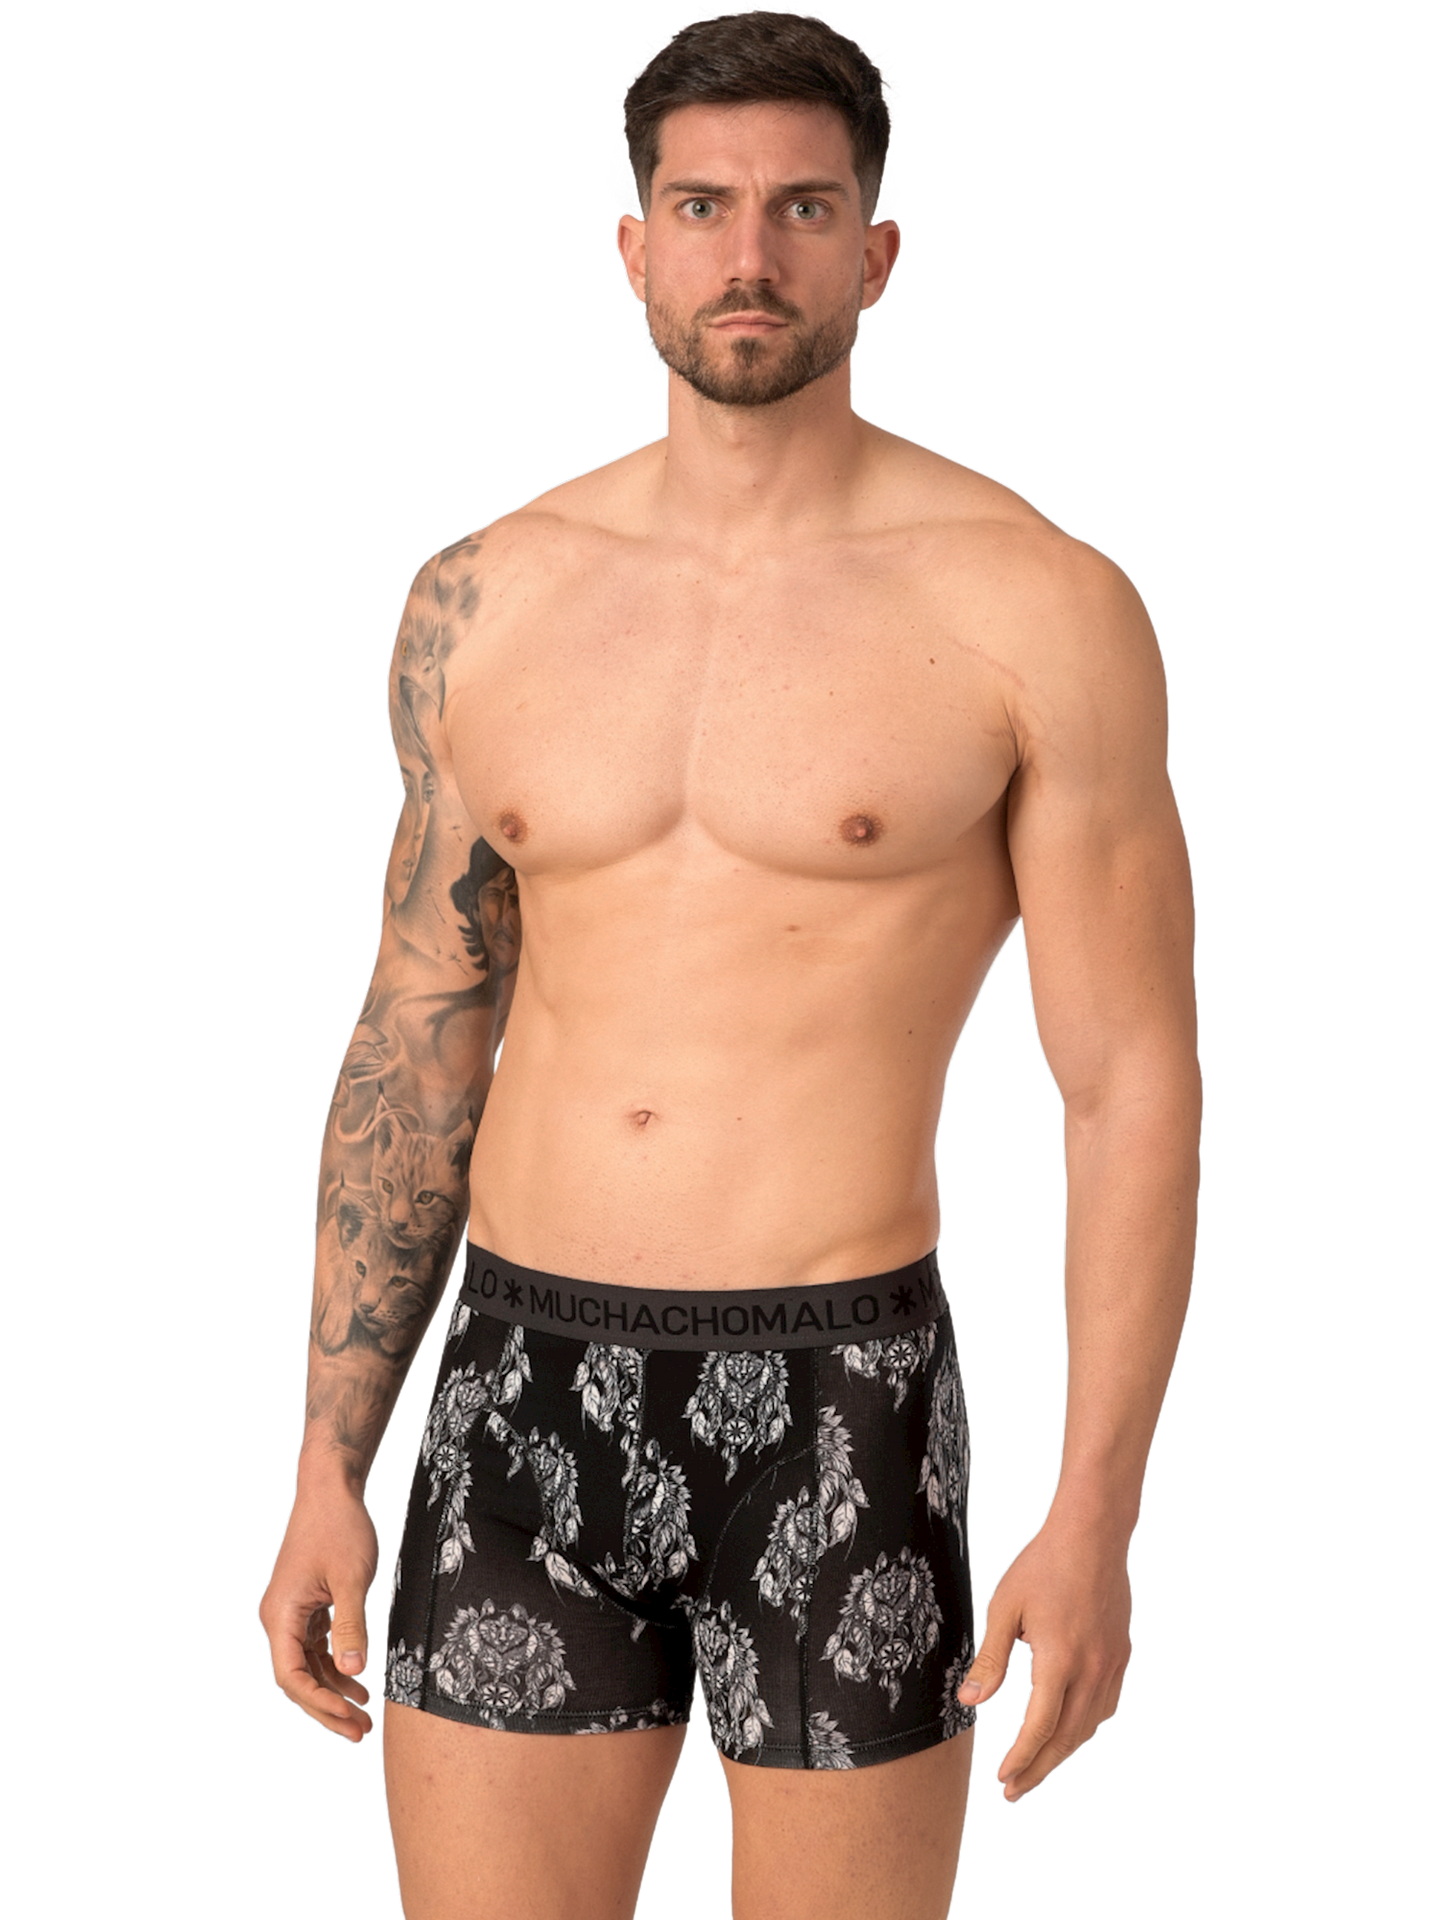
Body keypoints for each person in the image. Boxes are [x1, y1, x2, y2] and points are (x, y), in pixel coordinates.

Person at [256, 10, 1203, 1917]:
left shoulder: (1037, 605)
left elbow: (1127, 1081)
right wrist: (325, 1462)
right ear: (635, 246)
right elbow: (418, 1034)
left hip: (843, 1402)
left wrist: (1096, 1515)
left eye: (801, 208)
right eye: (702, 207)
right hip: (513, 1390)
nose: (748, 254)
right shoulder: (486, 595)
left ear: (878, 250)